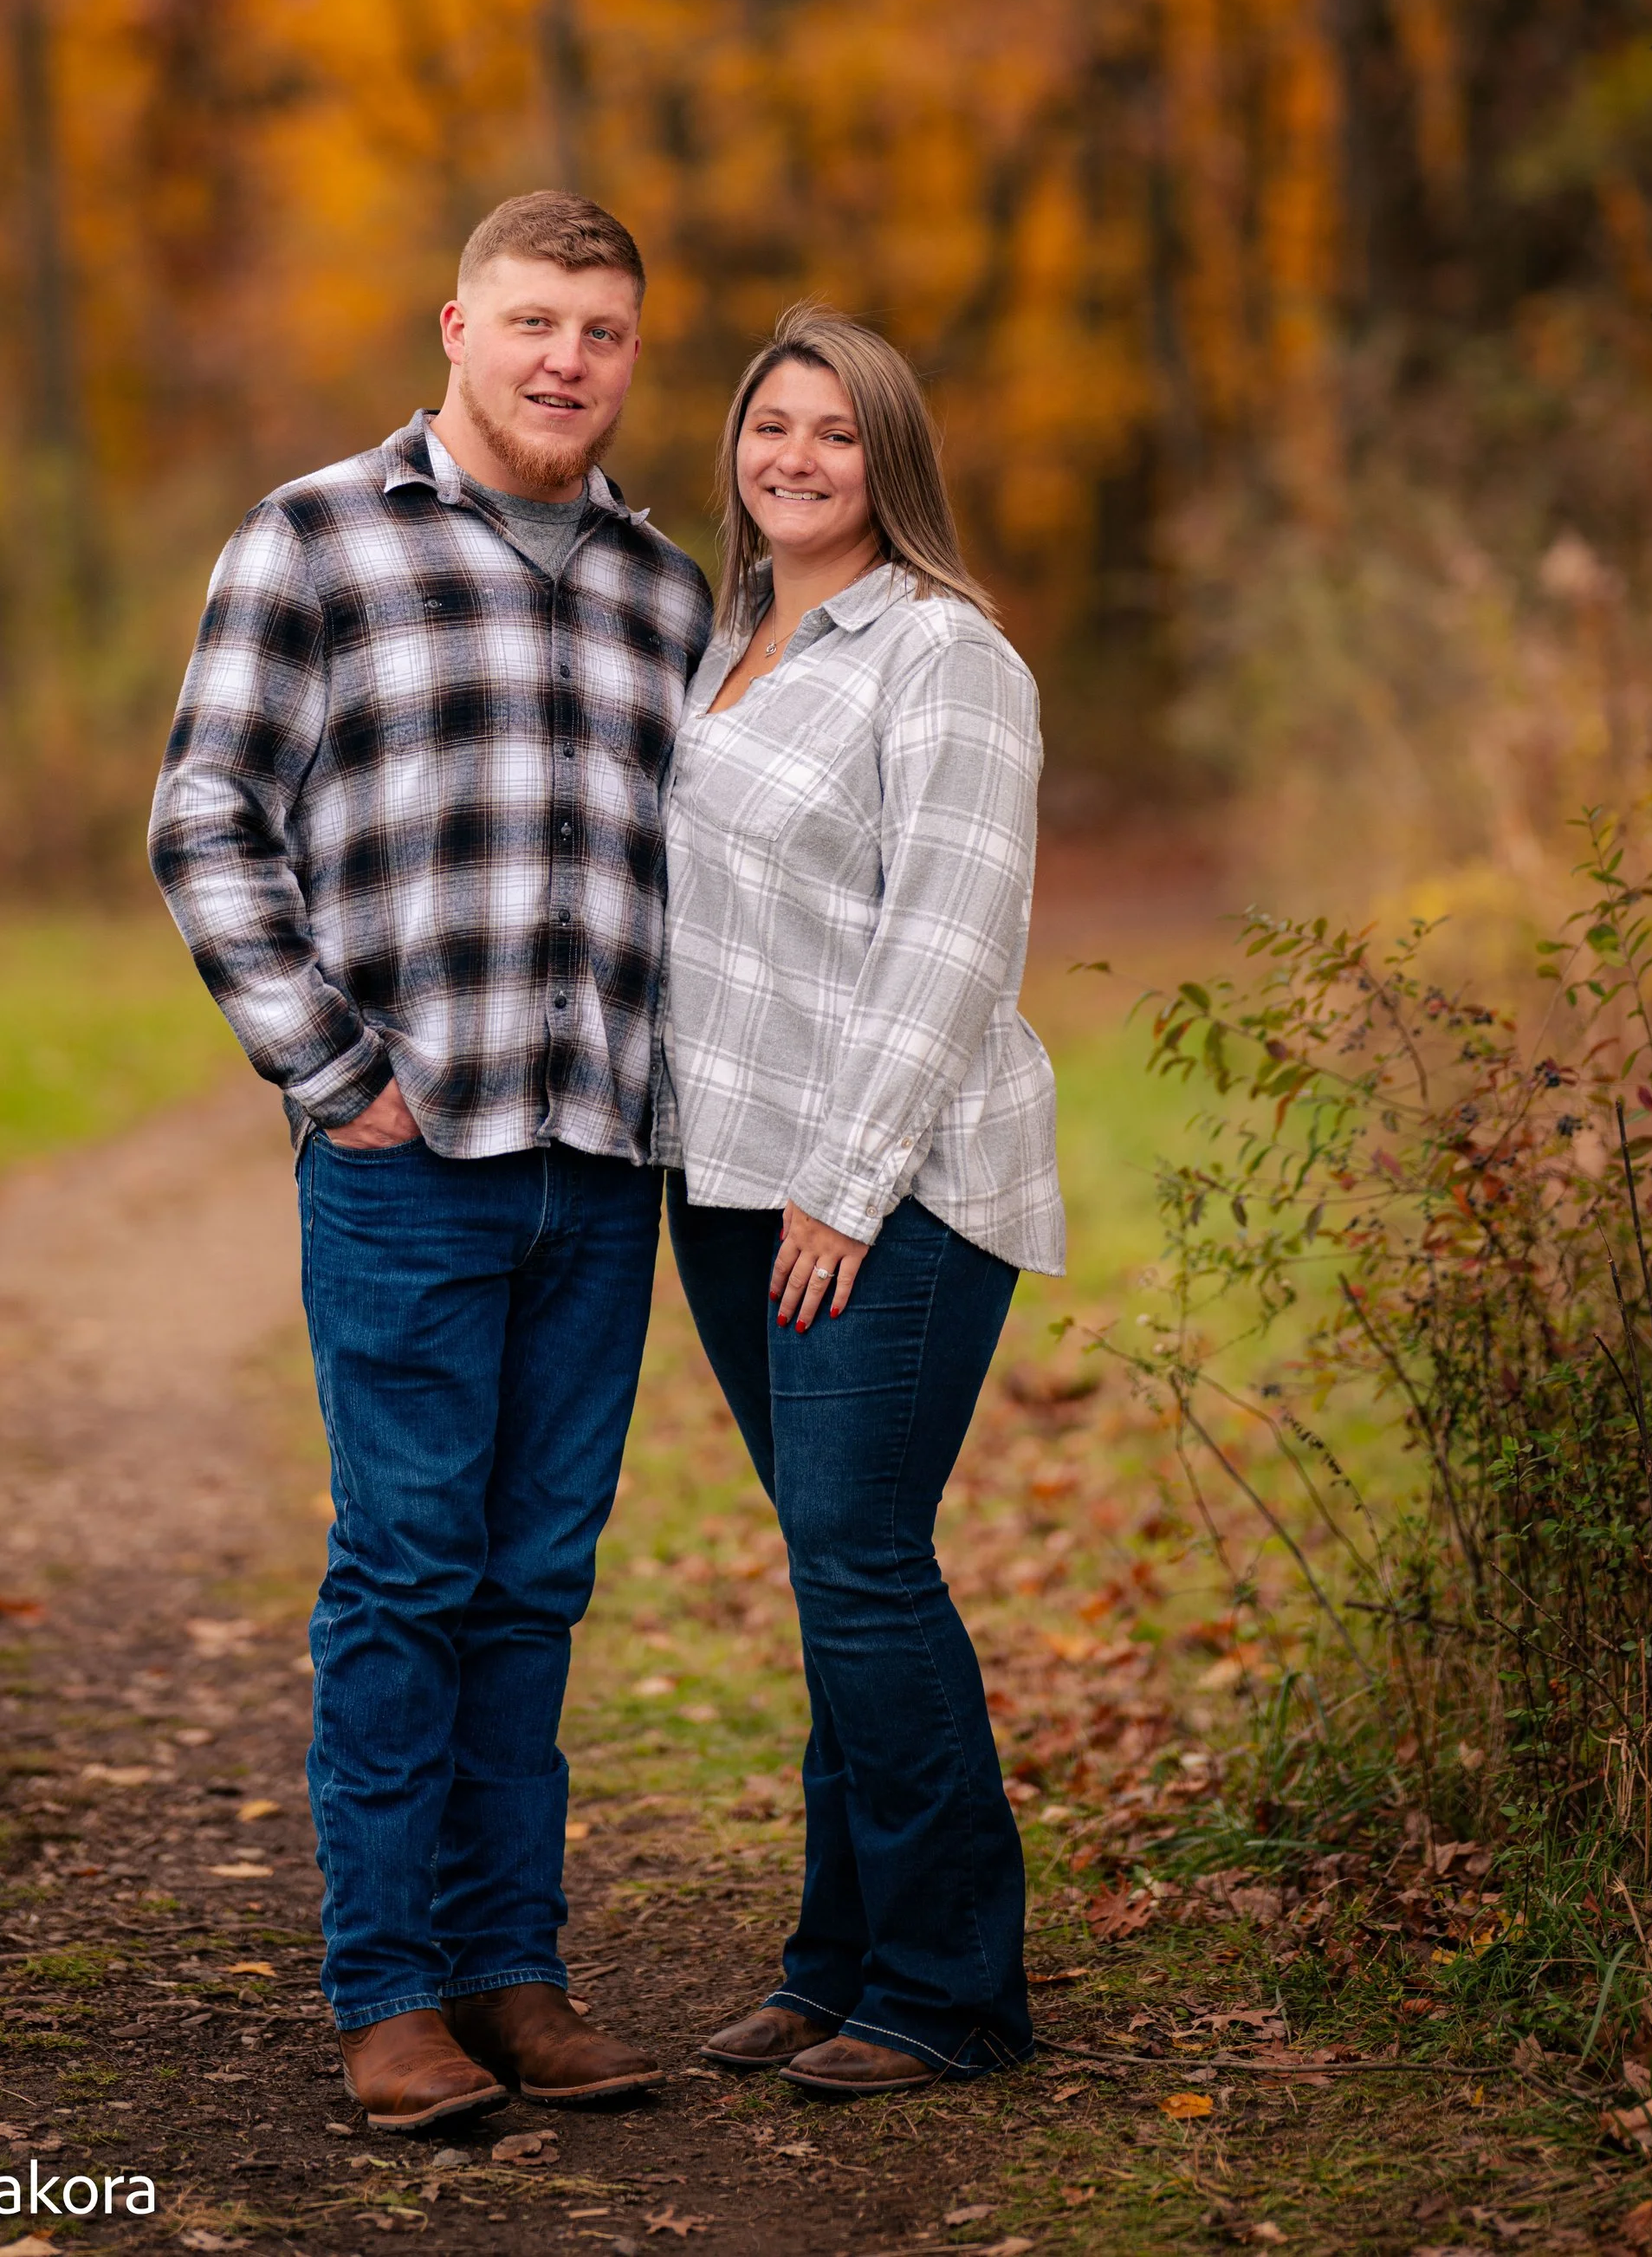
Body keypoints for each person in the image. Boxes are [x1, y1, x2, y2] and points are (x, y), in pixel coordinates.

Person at [149, 192, 712, 2135]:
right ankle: (387, 1994)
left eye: (606, 332)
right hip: (410, 1151)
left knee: (535, 1581)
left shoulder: (666, 590)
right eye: (536, 320)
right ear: (454, 325)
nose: (569, 358)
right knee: (404, 1569)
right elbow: (205, 817)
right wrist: (328, 1069)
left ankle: (510, 1968)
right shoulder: (314, 539)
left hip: (600, 1155)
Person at [660, 304, 1060, 2099]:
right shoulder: (731, 633)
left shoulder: (942, 654)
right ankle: (832, 1964)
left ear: (887, 458)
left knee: (861, 1565)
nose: (794, 459)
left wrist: (846, 1184)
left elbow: (952, 941)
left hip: (882, 1187)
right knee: (832, 1577)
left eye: (833, 432)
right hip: (723, 1174)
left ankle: (951, 1986)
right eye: (769, 428)